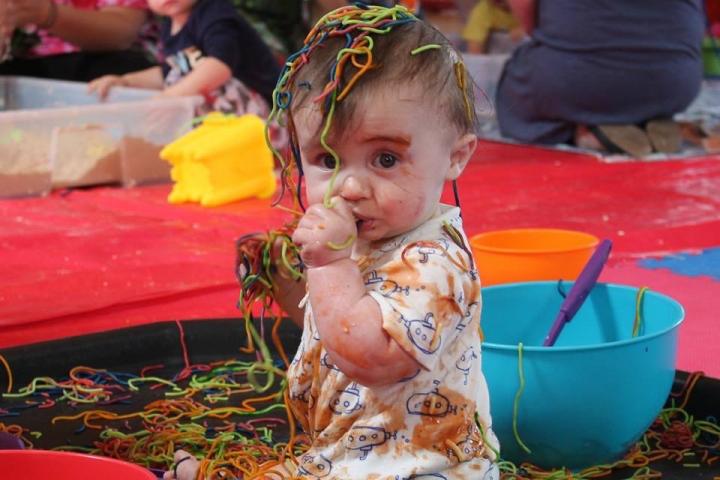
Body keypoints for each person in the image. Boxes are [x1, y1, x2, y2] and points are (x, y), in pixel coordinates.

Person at [165, 4, 499, 480]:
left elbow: (370, 356)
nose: (349, 187)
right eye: (326, 159)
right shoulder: (366, 240)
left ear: (455, 157)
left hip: (423, 466)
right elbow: (335, 323)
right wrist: (286, 285)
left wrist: (327, 265)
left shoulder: (435, 261)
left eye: (385, 159)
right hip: (354, 455)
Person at [495, 0, 704, 157]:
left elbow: (528, 16)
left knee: (515, 89)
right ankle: (644, 122)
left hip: (578, 81)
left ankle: (586, 133)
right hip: (676, 83)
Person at [87, 0, 280, 116]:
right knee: (179, 81)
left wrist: (171, 97)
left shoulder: (215, 15)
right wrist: (126, 81)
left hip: (267, 115)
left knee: (190, 88)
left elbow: (219, 66)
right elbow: (172, 71)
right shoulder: (169, 27)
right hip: (229, 123)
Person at [0, 0, 157, 81]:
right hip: (24, 73)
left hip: (108, 68)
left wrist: (45, 14)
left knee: (123, 66)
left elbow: (122, 34)